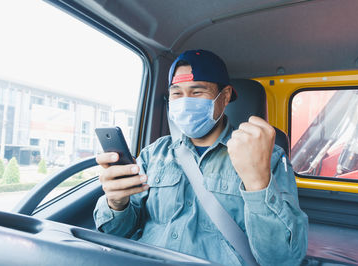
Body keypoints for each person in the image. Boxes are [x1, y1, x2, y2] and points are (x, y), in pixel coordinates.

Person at [94, 49, 308, 266]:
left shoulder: (266, 156)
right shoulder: (154, 153)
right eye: (177, 93)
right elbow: (117, 235)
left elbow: (284, 260)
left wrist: (258, 183)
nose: (185, 102)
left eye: (197, 92)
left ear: (224, 97)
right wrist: (117, 203)